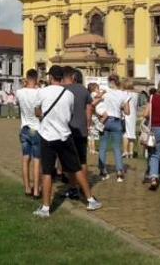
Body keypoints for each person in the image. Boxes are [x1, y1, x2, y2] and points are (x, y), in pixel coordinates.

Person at [32, 65, 102, 218]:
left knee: (47, 172)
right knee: (76, 168)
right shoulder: (68, 94)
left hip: (47, 135)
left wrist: (42, 115)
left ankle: (45, 208)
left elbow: (37, 112)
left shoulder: (42, 92)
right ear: (62, 78)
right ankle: (90, 199)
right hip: (64, 134)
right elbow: (69, 114)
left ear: (50, 78)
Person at [60, 66, 96, 203]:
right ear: (74, 77)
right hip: (81, 129)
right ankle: (83, 185)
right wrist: (87, 125)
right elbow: (89, 109)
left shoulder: (64, 90)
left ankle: (73, 186)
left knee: (69, 162)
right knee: (82, 160)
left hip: (69, 129)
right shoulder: (83, 89)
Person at [98, 75, 130, 182]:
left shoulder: (106, 92)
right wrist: (120, 107)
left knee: (103, 147)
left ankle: (102, 170)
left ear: (111, 82)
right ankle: (119, 172)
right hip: (116, 121)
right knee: (117, 148)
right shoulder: (124, 94)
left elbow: (96, 100)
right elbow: (127, 112)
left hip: (105, 120)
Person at [16, 69, 42, 198]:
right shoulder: (40, 93)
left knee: (25, 158)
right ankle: (36, 189)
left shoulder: (19, 92)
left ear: (26, 79)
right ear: (36, 79)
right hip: (36, 128)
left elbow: (18, 102)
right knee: (37, 160)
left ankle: (27, 187)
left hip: (24, 128)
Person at [122, 78, 139, 159]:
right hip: (133, 115)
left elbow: (125, 105)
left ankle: (125, 151)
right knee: (132, 134)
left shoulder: (125, 94)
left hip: (126, 114)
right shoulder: (136, 94)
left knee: (125, 134)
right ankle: (131, 152)